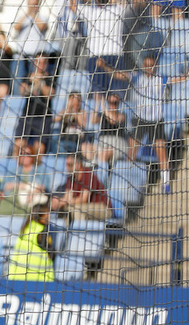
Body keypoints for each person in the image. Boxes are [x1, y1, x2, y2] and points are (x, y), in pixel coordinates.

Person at [102, 54, 189, 193]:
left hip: (156, 121)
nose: (148, 68)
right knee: (132, 151)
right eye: (146, 65)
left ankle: (165, 182)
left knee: (161, 150)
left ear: (155, 66)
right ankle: (125, 179)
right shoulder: (137, 77)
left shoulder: (161, 79)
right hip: (140, 119)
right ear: (143, 66)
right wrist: (105, 66)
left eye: (151, 65)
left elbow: (180, 79)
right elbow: (118, 75)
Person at [50, 152, 113, 222]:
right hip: (86, 207)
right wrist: (58, 201)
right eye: (66, 165)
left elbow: (83, 199)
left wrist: (62, 202)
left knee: (75, 209)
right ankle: (65, 230)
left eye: (70, 165)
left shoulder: (87, 174)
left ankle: (78, 232)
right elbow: (67, 197)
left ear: (78, 165)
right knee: (64, 209)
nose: (67, 168)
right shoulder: (71, 177)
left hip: (103, 208)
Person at [8, 202, 56, 282]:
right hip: (38, 277)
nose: (49, 217)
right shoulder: (42, 232)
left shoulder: (25, 228)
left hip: (17, 275)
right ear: (40, 216)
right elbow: (51, 253)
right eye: (47, 215)